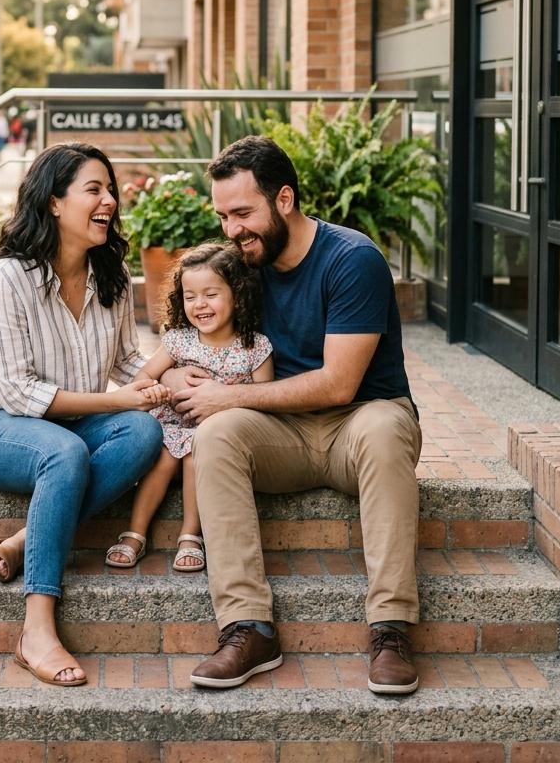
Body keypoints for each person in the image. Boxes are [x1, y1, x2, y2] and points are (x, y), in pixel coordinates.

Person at [169, 136, 422, 695]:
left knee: (383, 430)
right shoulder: (242, 267)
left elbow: (338, 383)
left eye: (243, 213)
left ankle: (391, 629)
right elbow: (188, 335)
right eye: (223, 216)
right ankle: (248, 627)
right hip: (281, 429)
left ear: (284, 199)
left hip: (358, 421)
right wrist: (171, 376)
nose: (232, 230)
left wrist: (229, 395)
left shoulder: (351, 260)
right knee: (216, 435)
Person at [0, 142, 166, 687]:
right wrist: (117, 398)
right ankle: (37, 627)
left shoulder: (111, 273)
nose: (110, 201)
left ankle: (26, 540)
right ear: (53, 202)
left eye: (111, 190)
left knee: (143, 430)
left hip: (72, 426)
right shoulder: (10, 277)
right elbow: (22, 394)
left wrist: (170, 378)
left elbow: (125, 363)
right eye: (93, 190)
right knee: (65, 452)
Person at [105, 243, 272, 574]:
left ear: (237, 295)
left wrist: (228, 399)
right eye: (190, 295)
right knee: (163, 455)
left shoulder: (256, 347)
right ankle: (136, 533)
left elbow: (265, 398)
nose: (200, 304)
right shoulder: (179, 341)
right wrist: (163, 386)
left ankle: (189, 536)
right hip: (173, 425)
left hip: (220, 435)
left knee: (199, 454)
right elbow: (142, 377)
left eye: (211, 294)